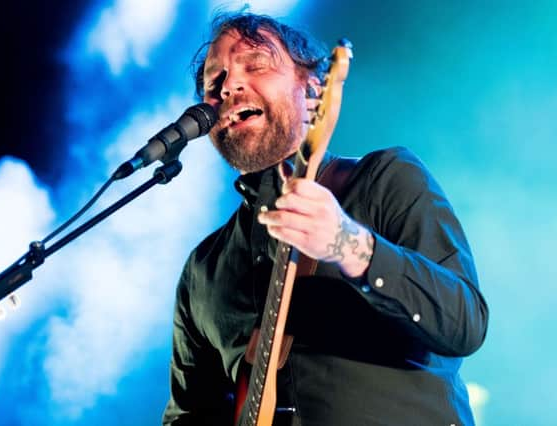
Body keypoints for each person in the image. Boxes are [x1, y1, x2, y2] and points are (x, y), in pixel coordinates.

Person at [162, 11, 488, 426]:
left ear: (313, 88)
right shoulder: (202, 271)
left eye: (256, 65)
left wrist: (349, 243)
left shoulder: (384, 178)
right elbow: (188, 415)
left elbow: (465, 323)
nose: (229, 86)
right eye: (214, 81)